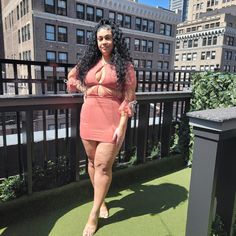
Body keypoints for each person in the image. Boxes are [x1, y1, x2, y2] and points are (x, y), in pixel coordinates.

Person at [67, 19, 137, 236]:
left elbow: (129, 99)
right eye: (100, 38)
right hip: (88, 117)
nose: (104, 42)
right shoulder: (88, 62)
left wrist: (122, 126)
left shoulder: (125, 66)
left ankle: (94, 213)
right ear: (95, 41)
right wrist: (83, 88)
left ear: (114, 39)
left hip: (112, 121)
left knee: (103, 166)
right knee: (91, 162)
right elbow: (71, 77)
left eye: (107, 37)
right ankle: (102, 200)